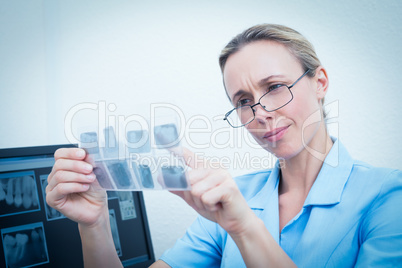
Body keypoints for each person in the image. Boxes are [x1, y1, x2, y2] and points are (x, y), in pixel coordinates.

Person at [46, 24, 402, 267]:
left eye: (275, 86)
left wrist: (245, 228)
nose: (259, 113)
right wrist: (94, 225)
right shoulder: (236, 196)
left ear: (320, 82)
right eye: (244, 100)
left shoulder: (388, 197)